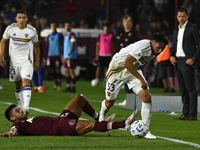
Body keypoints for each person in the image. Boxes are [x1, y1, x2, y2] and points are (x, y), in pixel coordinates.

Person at [99, 32, 168, 139]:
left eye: (162, 49)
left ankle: (145, 129)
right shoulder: (144, 46)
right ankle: (103, 113)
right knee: (109, 102)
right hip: (117, 70)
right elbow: (127, 63)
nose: (159, 51)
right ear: (152, 42)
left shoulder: (153, 51)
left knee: (146, 97)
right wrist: (141, 79)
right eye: (158, 47)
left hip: (132, 70)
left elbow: (134, 64)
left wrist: (139, 78)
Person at [0, 94, 138, 137]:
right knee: (89, 125)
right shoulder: (17, 125)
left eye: (19, 109)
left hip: (61, 119)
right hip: (61, 127)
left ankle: (100, 118)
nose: (21, 111)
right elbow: (13, 131)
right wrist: (9, 133)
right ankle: (123, 124)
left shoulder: (25, 120)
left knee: (80, 98)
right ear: (13, 118)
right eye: (17, 111)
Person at [0, 9, 40, 115]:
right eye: (19, 18)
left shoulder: (32, 31)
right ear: (16, 19)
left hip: (27, 61)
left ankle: (26, 107)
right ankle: (22, 108)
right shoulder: (10, 29)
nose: (21, 20)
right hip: (14, 62)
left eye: (23, 18)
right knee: (17, 85)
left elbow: (37, 45)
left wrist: (37, 61)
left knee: (26, 82)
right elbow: (3, 41)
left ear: (27, 19)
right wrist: (1, 56)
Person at [170, 7, 200, 121]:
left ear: (187, 16)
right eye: (179, 16)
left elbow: (199, 44)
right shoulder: (176, 29)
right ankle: (185, 113)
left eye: (183, 16)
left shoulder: (192, 28)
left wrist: (193, 58)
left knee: (190, 88)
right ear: (177, 17)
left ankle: (192, 115)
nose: (181, 18)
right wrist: (171, 55)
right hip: (178, 62)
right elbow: (175, 44)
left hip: (187, 62)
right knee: (182, 89)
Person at [114, 15, 140, 107]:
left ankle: (132, 98)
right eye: (125, 21)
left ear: (131, 23)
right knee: (124, 79)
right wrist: (124, 41)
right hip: (121, 59)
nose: (127, 23)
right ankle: (129, 99)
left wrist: (122, 41)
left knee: (130, 78)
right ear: (123, 23)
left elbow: (132, 42)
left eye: (129, 21)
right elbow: (115, 41)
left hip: (131, 59)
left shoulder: (134, 32)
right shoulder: (120, 31)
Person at [44, 23, 63, 90]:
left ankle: (59, 85)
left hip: (57, 55)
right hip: (50, 55)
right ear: (50, 27)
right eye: (52, 26)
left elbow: (62, 45)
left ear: (56, 27)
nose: (53, 27)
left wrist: (62, 54)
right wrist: (45, 57)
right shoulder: (49, 36)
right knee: (52, 70)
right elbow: (47, 47)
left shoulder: (59, 35)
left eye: (54, 26)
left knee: (58, 69)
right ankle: (55, 84)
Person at [62, 21, 78, 93]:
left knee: (71, 71)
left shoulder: (72, 35)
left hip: (71, 57)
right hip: (66, 57)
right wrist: (64, 56)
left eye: (68, 25)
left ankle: (73, 88)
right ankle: (68, 87)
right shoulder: (66, 35)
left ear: (71, 26)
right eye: (65, 25)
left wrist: (68, 55)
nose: (67, 27)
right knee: (66, 71)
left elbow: (73, 46)